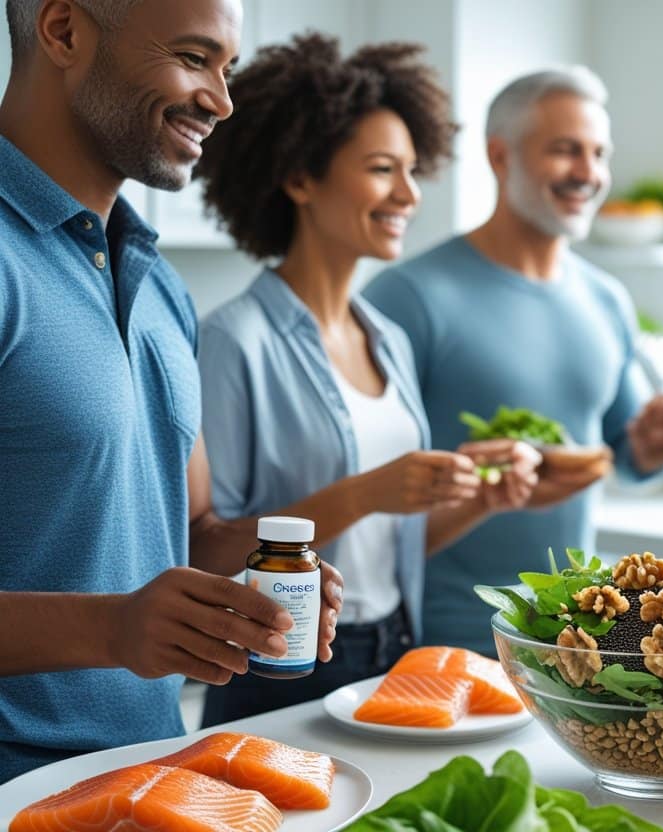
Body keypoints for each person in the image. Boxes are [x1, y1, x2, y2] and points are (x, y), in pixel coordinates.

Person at [0, 0, 340, 782]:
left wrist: (268, 577)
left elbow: (188, 531)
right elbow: (120, 618)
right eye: (194, 59)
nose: (221, 101)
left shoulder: (161, 285)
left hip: (160, 770)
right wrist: (111, 629)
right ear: (63, 31)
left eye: (228, 70)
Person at [190, 34, 542, 725]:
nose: (408, 194)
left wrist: (474, 499)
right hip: (279, 665)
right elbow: (206, 553)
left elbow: (386, 543)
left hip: (398, 652)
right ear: (300, 178)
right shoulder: (232, 342)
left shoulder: (389, 339)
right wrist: (367, 491)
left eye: (413, 171)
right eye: (383, 169)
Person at [364, 67, 663, 655]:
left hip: (575, 644)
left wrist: (654, 448)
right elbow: (364, 493)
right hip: (438, 643)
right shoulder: (407, 297)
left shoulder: (605, 297)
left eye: (598, 153)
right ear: (500, 156)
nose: (588, 174)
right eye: (565, 151)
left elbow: (624, 452)